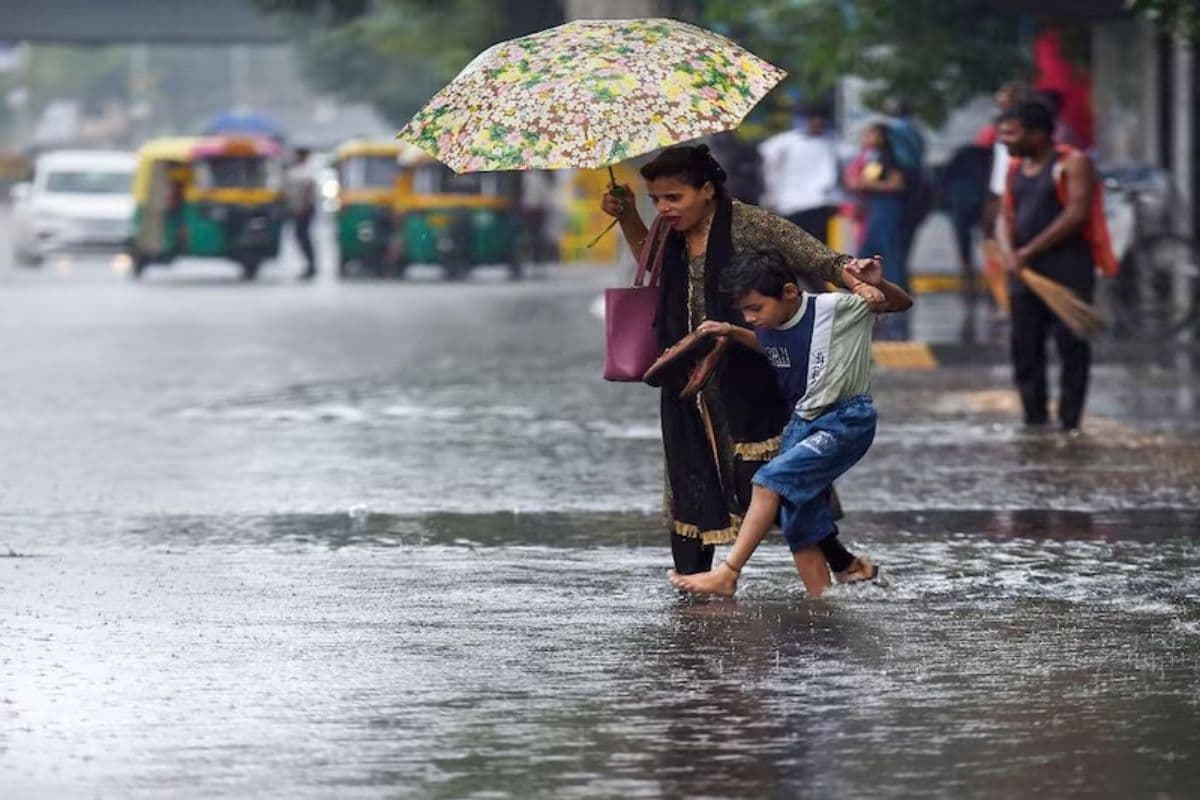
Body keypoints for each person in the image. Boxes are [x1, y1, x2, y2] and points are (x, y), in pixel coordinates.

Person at [600, 144, 883, 583]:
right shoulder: (666, 230)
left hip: (749, 372)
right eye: (656, 199)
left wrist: (855, 275)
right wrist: (628, 217)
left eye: (673, 198)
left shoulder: (750, 224)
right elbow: (651, 266)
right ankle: (693, 587)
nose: (664, 208)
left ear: (707, 190)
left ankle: (839, 566)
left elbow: (816, 257)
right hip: (687, 377)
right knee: (689, 476)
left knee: (771, 478)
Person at [668, 249, 912, 597]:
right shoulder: (768, 323)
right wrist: (732, 331)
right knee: (798, 520)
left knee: (768, 482)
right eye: (745, 311)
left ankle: (728, 573)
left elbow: (901, 303)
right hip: (802, 422)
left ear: (788, 293)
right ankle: (822, 604)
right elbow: (775, 349)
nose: (752, 318)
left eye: (756, 308)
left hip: (844, 420)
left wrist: (878, 285)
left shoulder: (835, 308)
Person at [995, 101, 1098, 434]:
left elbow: (1076, 212)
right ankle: (1034, 420)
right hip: (1025, 273)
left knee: (1071, 345)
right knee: (1024, 346)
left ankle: (1070, 423)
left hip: (1067, 268)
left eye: (1012, 133)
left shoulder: (1072, 162)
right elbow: (1004, 214)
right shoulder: (1014, 168)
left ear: (1038, 134)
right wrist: (1009, 252)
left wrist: (1028, 250)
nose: (1004, 141)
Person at [846, 123, 908, 339]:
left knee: (889, 254)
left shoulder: (887, 158)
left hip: (888, 211)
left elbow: (896, 184)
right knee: (870, 251)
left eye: (871, 133)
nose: (866, 137)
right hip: (876, 211)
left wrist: (867, 185)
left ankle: (894, 295)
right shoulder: (870, 158)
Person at [757, 103, 841, 248]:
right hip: (791, 204)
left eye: (820, 119)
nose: (817, 122)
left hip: (821, 203)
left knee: (819, 249)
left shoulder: (832, 143)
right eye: (813, 118)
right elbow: (767, 165)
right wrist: (770, 196)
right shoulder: (783, 142)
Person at [285, 146, 317, 281]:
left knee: (304, 238)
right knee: (300, 237)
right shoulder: (294, 170)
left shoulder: (308, 171)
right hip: (296, 208)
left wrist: (302, 207)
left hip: (304, 209)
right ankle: (309, 265)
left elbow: (308, 191)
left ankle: (311, 266)